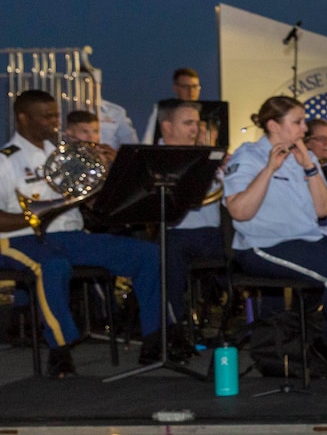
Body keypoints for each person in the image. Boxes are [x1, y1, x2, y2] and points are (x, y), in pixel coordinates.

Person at [223, 96, 327, 392]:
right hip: (264, 245)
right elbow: (239, 211)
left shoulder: (304, 156)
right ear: (273, 125)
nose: (304, 129)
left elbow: (323, 210)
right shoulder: (248, 156)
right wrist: (269, 170)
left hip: (310, 238)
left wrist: (310, 168)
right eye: (297, 122)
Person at [0, 90, 167, 377]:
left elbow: (91, 204)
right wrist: (33, 216)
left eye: (56, 115)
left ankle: (154, 342)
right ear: (23, 118)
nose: (54, 122)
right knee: (52, 266)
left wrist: (109, 171)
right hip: (20, 240)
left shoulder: (63, 154)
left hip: (72, 237)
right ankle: (60, 352)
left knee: (147, 254)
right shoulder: (6, 160)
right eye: (46, 116)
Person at [155, 100, 226, 333]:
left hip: (213, 234)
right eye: (188, 123)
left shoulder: (208, 157)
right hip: (176, 233)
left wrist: (228, 172)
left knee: (248, 248)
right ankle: (174, 327)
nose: (195, 129)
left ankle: (263, 325)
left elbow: (227, 195)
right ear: (167, 127)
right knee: (169, 257)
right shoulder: (152, 158)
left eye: (196, 123)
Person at [143, 68, 203, 142]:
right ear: (175, 88)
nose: (191, 91)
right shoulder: (163, 110)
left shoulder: (208, 111)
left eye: (195, 87)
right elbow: (148, 141)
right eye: (185, 87)